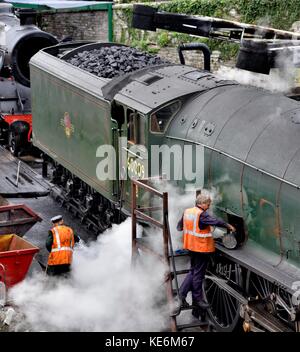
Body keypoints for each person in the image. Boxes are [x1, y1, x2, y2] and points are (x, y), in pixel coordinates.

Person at [176, 193, 236, 313]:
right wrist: (228, 226)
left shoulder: (187, 211)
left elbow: (179, 227)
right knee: (198, 275)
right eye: (208, 204)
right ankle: (198, 300)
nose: (208, 207)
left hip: (190, 247)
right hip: (201, 249)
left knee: (193, 271)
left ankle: (181, 296)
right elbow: (215, 221)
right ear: (202, 204)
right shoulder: (201, 215)